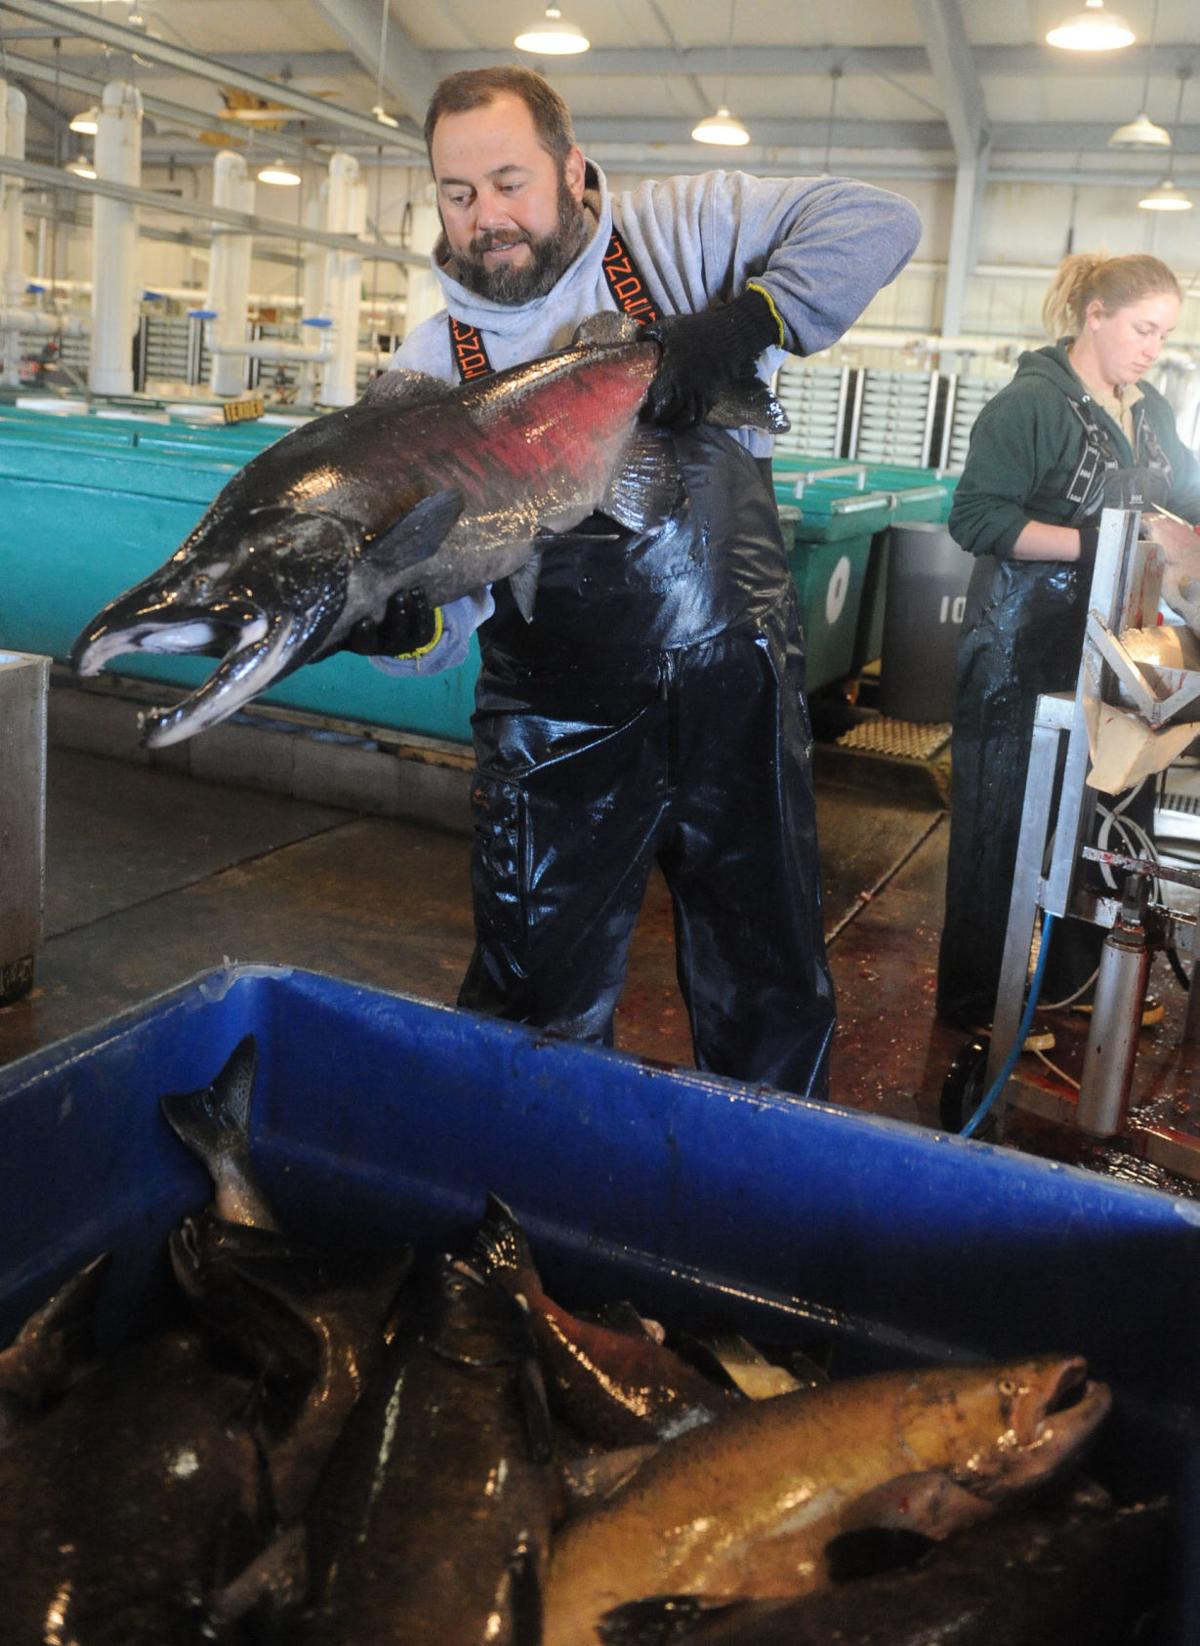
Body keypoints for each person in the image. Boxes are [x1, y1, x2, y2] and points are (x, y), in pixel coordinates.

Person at [347, 66, 921, 1098]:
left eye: (513, 182)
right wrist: (402, 619)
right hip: (553, 731)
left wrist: (748, 320)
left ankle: (762, 1214)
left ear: (572, 169)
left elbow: (879, 218)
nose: (490, 219)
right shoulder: (435, 369)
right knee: (533, 1009)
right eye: (459, 193)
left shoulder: (680, 234)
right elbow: (450, 596)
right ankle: (514, 1234)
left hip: (733, 697)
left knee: (769, 990)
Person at [938, 252, 1200, 1033]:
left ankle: (1080, 981)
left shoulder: (1146, 411)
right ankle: (976, 1002)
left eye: (1165, 334)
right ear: (1094, 315)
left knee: (1105, 815)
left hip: (1116, 644)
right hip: (1021, 642)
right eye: (1142, 328)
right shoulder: (1031, 405)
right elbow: (977, 518)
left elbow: (1186, 493)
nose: (1152, 347)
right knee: (1003, 819)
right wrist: (1105, 543)